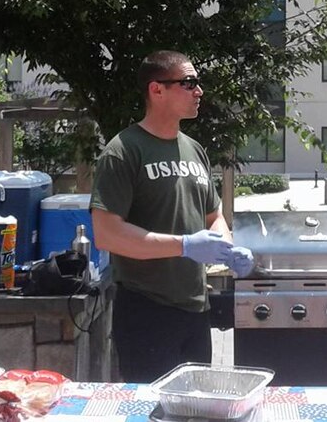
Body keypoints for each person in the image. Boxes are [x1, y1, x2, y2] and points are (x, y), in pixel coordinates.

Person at [90, 50, 254, 382]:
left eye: (197, 83)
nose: (199, 91)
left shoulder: (195, 150)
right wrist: (183, 246)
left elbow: (213, 216)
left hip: (195, 309)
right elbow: (107, 234)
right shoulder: (123, 151)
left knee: (195, 410)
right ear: (157, 90)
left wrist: (226, 246)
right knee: (154, 411)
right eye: (188, 83)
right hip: (146, 310)